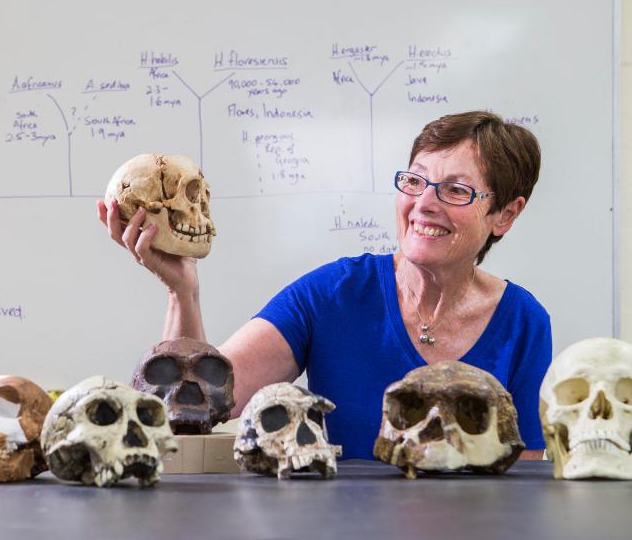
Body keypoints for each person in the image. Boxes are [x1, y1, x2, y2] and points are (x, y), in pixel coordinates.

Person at [97, 111, 549, 460]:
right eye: (415, 180)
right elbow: (198, 401)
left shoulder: (523, 322)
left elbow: (524, 481)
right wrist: (182, 290)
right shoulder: (332, 294)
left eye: (455, 190)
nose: (423, 204)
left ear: (505, 214)